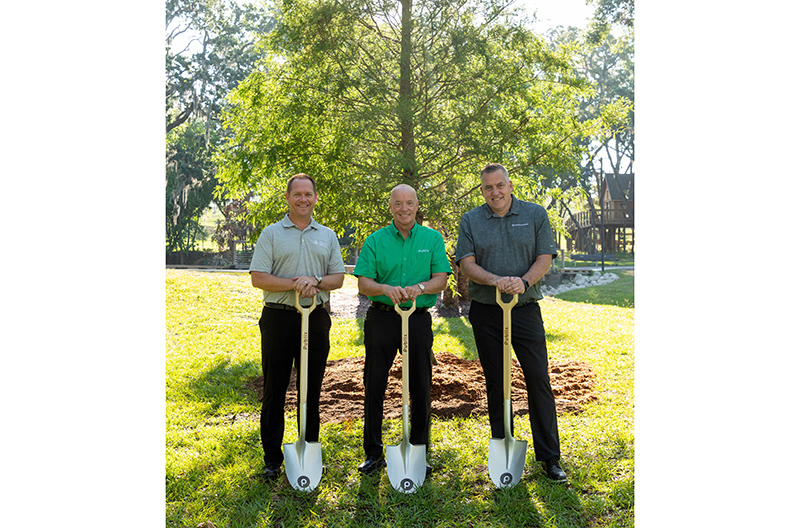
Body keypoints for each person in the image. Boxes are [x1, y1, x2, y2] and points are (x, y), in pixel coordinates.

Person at [455, 163, 567, 482]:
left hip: (525, 309)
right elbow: (466, 263)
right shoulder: (471, 220)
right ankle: (503, 449)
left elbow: (543, 258)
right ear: (482, 190)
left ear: (510, 184)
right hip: (487, 311)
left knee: (537, 378)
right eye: (489, 187)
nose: (496, 192)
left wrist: (523, 281)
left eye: (500, 185)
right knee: (497, 381)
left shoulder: (534, 215)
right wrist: (497, 281)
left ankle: (550, 458)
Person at [249, 173, 346, 480]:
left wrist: (315, 281)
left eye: (309, 194)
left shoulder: (327, 236)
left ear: (316, 198)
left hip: (315, 318)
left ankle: (309, 450)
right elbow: (258, 277)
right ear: (288, 198)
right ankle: (272, 459)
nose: (303, 199)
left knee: (311, 389)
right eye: (297, 194)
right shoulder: (272, 234)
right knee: (275, 389)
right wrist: (296, 284)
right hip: (279, 318)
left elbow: (338, 278)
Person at [353, 184, 452, 476]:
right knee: (374, 384)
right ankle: (373, 453)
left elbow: (441, 279)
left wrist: (419, 288)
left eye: (409, 203)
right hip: (382, 318)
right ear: (391, 206)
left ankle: (419, 450)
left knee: (420, 384)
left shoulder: (432, 239)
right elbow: (363, 283)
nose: (404, 208)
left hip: (418, 318)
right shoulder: (375, 240)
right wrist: (385, 288)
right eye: (398, 203)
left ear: (417, 205)